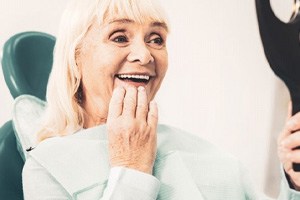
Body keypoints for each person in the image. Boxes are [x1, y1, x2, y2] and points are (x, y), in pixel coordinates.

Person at [22, 0, 300, 199]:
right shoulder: (48, 168)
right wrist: (131, 169)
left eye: (156, 39)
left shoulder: (207, 155)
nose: (145, 55)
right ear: (75, 57)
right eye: (120, 37)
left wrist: (294, 183)